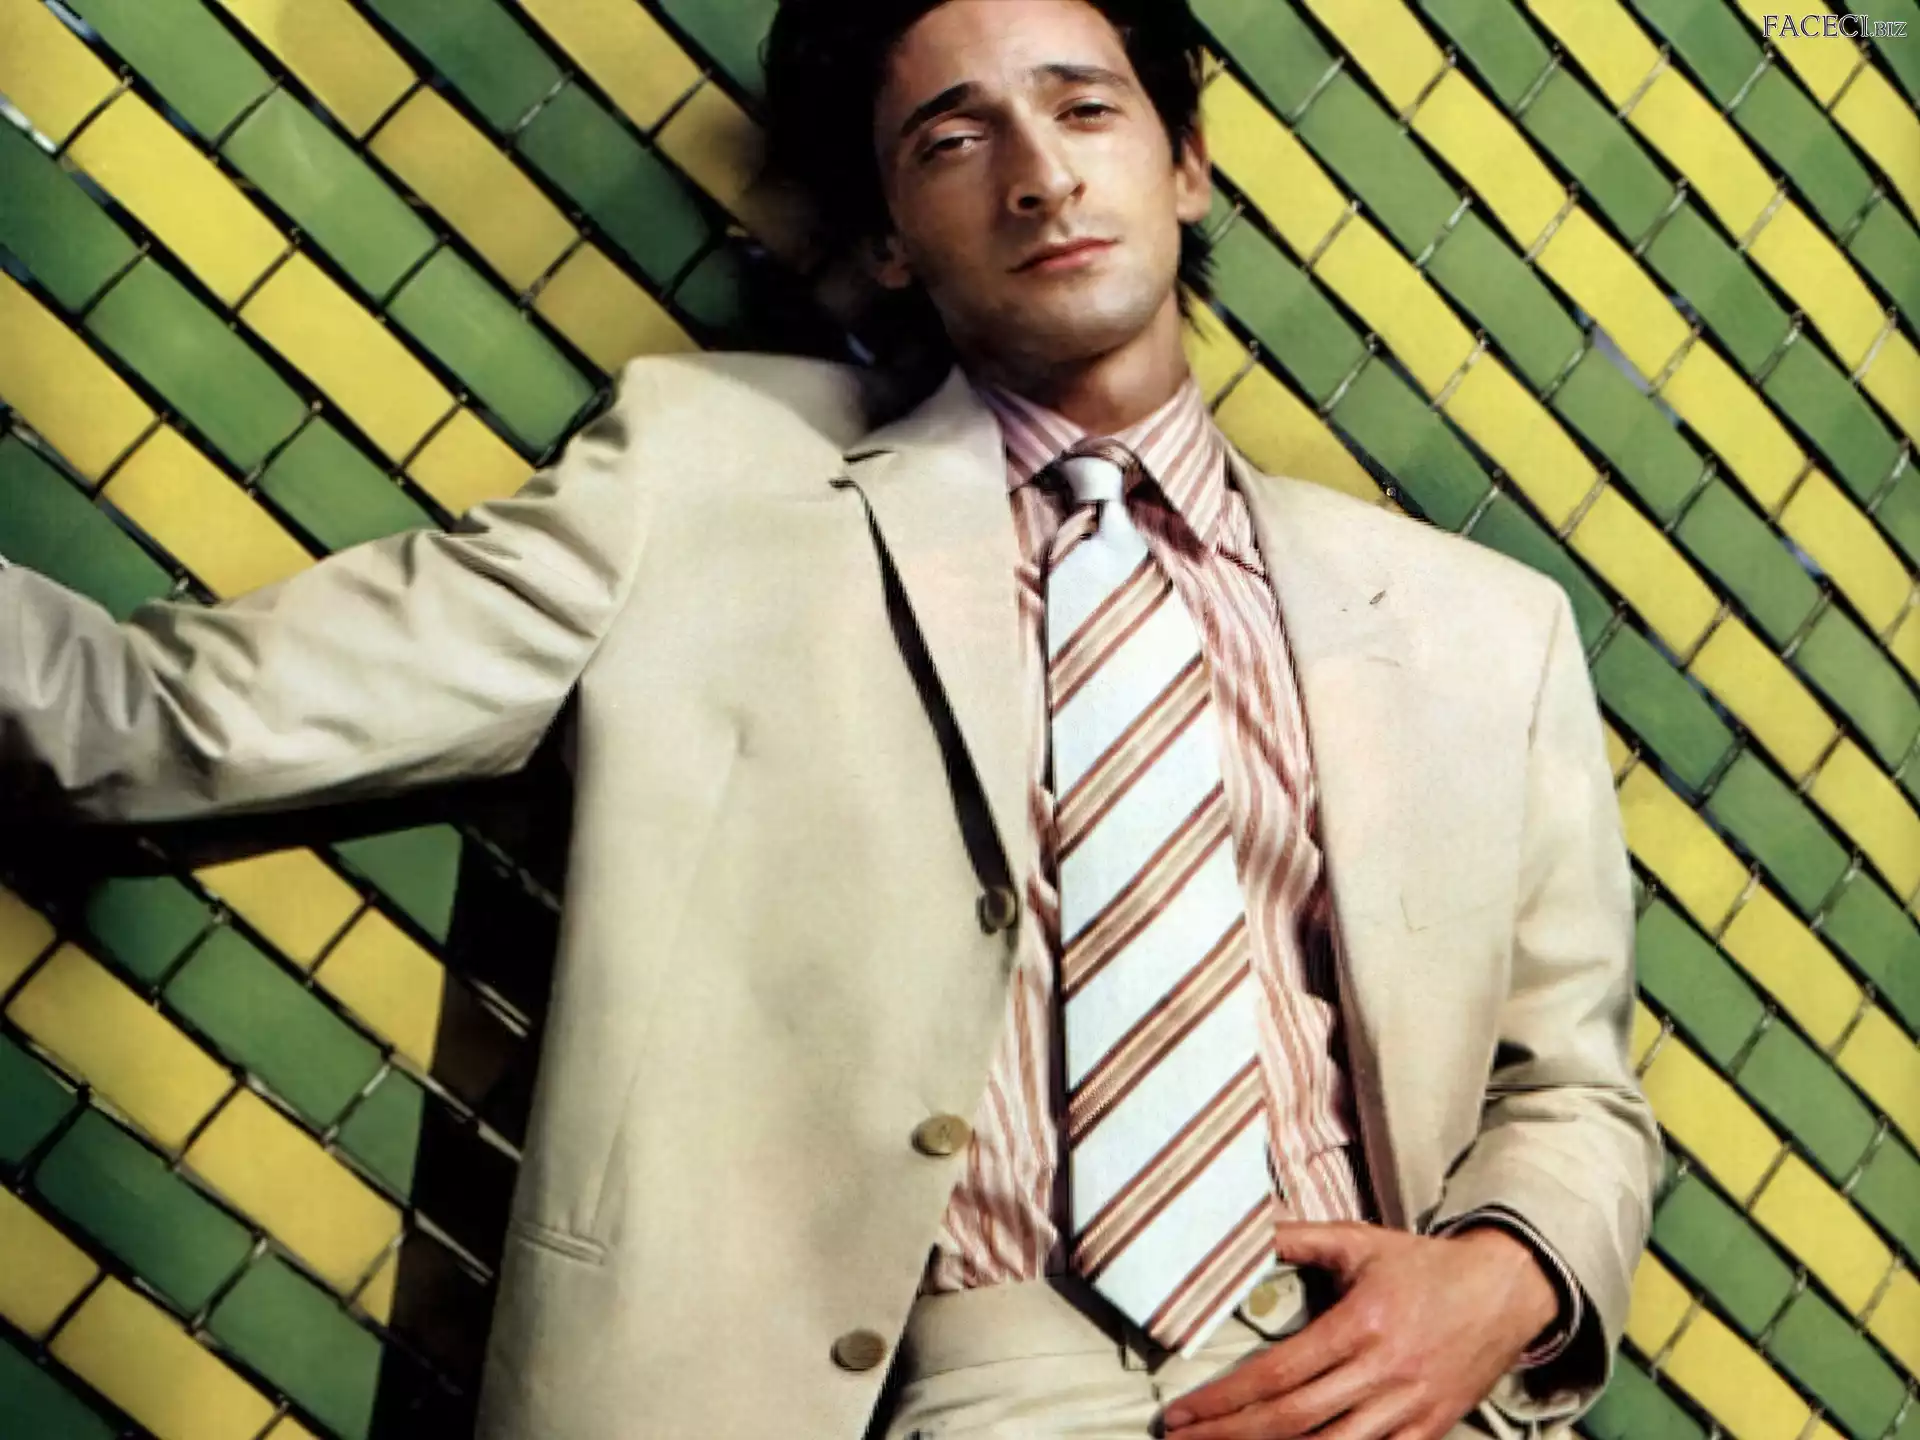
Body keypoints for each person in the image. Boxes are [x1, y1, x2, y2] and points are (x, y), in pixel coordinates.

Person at [0, 0, 1660, 1436]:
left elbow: (1575, 1090)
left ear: (1188, 165)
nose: (1039, 173)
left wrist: (1506, 1279)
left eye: (1087, 109)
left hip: (1372, 1386)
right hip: (976, 1383)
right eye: (954, 140)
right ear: (889, 238)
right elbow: (150, 722)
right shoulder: (704, 482)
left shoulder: (1474, 627)